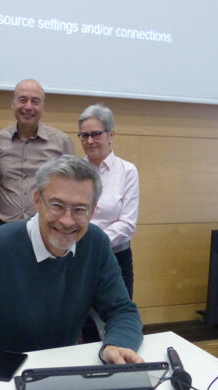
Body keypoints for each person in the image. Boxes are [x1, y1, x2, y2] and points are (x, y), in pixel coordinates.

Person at [0, 155, 144, 390]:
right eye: (57, 205)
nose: (67, 221)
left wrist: (117, 343)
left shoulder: (96, 244)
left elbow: (122, 310)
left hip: (61, 371)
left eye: (80, 209)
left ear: (93, 211)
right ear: (37, 200)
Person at [78, 104, 139, 342]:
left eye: (96, 134)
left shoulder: (127, 171)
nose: (90, 141)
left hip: (115, 257)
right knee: (84, 325)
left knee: (116, 320)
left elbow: (128, 224)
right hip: (78, 257)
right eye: (84, 135)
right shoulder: (74, 171)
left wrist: (94, 242)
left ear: (111, 134)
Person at [0, 79, 75, 225]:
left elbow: (70, 187)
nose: (28, 107)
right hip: (6, 225)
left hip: (46, 226)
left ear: (43, 108)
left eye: (35, 101)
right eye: (22, 100)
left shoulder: (61, 142)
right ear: (13, 104)